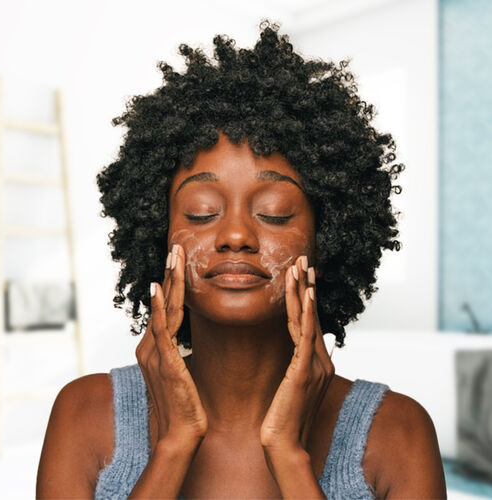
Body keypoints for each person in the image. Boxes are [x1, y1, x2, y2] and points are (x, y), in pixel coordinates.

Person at [36, 20, 447, 499]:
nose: (235, 235)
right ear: (158, 234)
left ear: (327, 238)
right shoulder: (84, 415)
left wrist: (288, 455)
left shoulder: (398, 434)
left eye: (273, 212)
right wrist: (174, 444)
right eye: (202, 211)